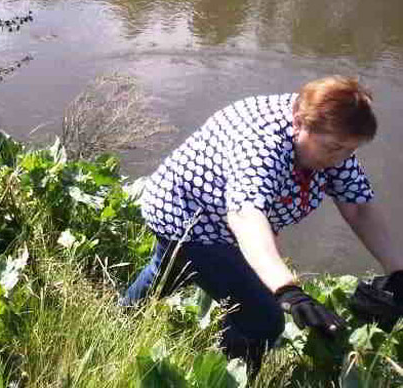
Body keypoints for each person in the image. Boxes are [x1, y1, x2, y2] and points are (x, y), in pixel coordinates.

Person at [120, 76, 403, 373]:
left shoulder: (330, 135)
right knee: (263, 318)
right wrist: (287, 290)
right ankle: (231, 375)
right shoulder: (261, 143)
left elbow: (358, 207)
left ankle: (122, 318)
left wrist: (397, 271)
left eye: (349, 151)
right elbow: (245, 216)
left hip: (215, 217)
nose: (340, 160)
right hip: (187, 220)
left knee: (167, 270)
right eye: (334, 149)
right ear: (298, 122)